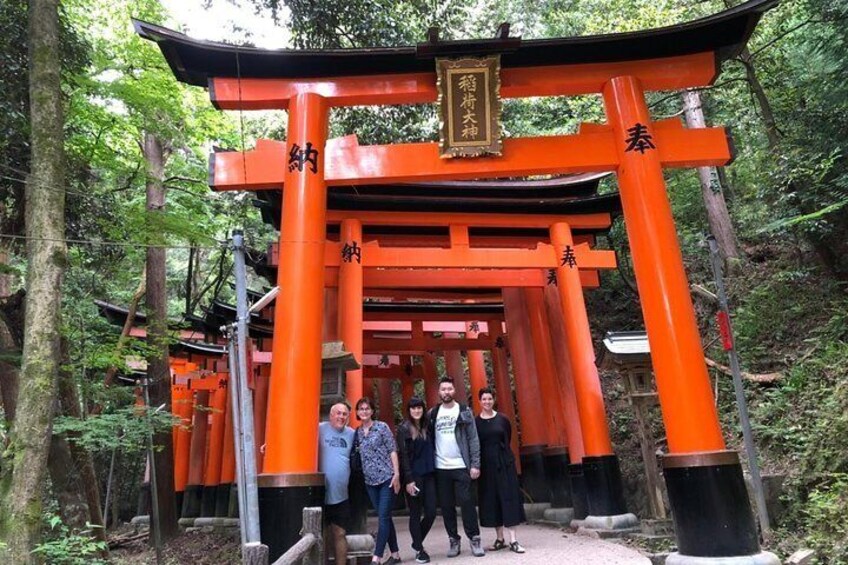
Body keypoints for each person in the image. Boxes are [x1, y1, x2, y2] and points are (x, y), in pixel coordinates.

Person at [428, 376, 485, 558]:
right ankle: (453, 539)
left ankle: (474, 538)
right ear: (439, 392)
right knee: (446, 506)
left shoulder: (464, 411)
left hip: (461, 465)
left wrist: (475, 464)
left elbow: (473, 439)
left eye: (449, 389)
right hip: (441, 467)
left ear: (454, 391)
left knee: (467, 503)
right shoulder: (432, 414)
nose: (446, 392)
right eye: (443, 389)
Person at [475, 388, 526, 553]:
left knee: (508, 497)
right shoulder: (476, 422)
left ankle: (513, 540)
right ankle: (499, 538)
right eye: (484, 399)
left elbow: (508, 437)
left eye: (490, 399)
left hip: (504, 463)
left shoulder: (503, 419)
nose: (487, 402)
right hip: (486, 465)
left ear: (493, 400)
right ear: (479, 401)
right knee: (492, 499)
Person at [354, 397, 402, 565]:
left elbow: (392, 450)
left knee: (382, 517)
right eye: (361, 409)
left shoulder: (382, 427)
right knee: (386, 517)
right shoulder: (357, 432)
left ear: (372, 411)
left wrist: (396, 474)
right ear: (357, 412)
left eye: (367, 408)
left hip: (386, 478)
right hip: (370, 481)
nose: (364, 411)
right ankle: (395, 555)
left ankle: (377, 557)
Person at [396, 397, 437, 563]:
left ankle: (416, 542)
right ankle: (420, 550)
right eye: (413, 408)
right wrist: (409, 480)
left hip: (429, 474)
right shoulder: (404, 429)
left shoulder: (428, 426)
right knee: (415, 513)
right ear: (409, 410)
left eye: (419, 408)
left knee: (431, 512)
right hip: (413, 476)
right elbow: (403, 456)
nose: (417, 411)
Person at [318, 401, 356, 565]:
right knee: (322, 535)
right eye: (338, 413)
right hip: (320, 491)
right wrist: (271, 444)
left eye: (345, 414)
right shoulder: (319, 428)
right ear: (331, 415)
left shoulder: (352, 434)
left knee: (340, 533)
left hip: (341, 494)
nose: (341, 416)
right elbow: (296, 434)